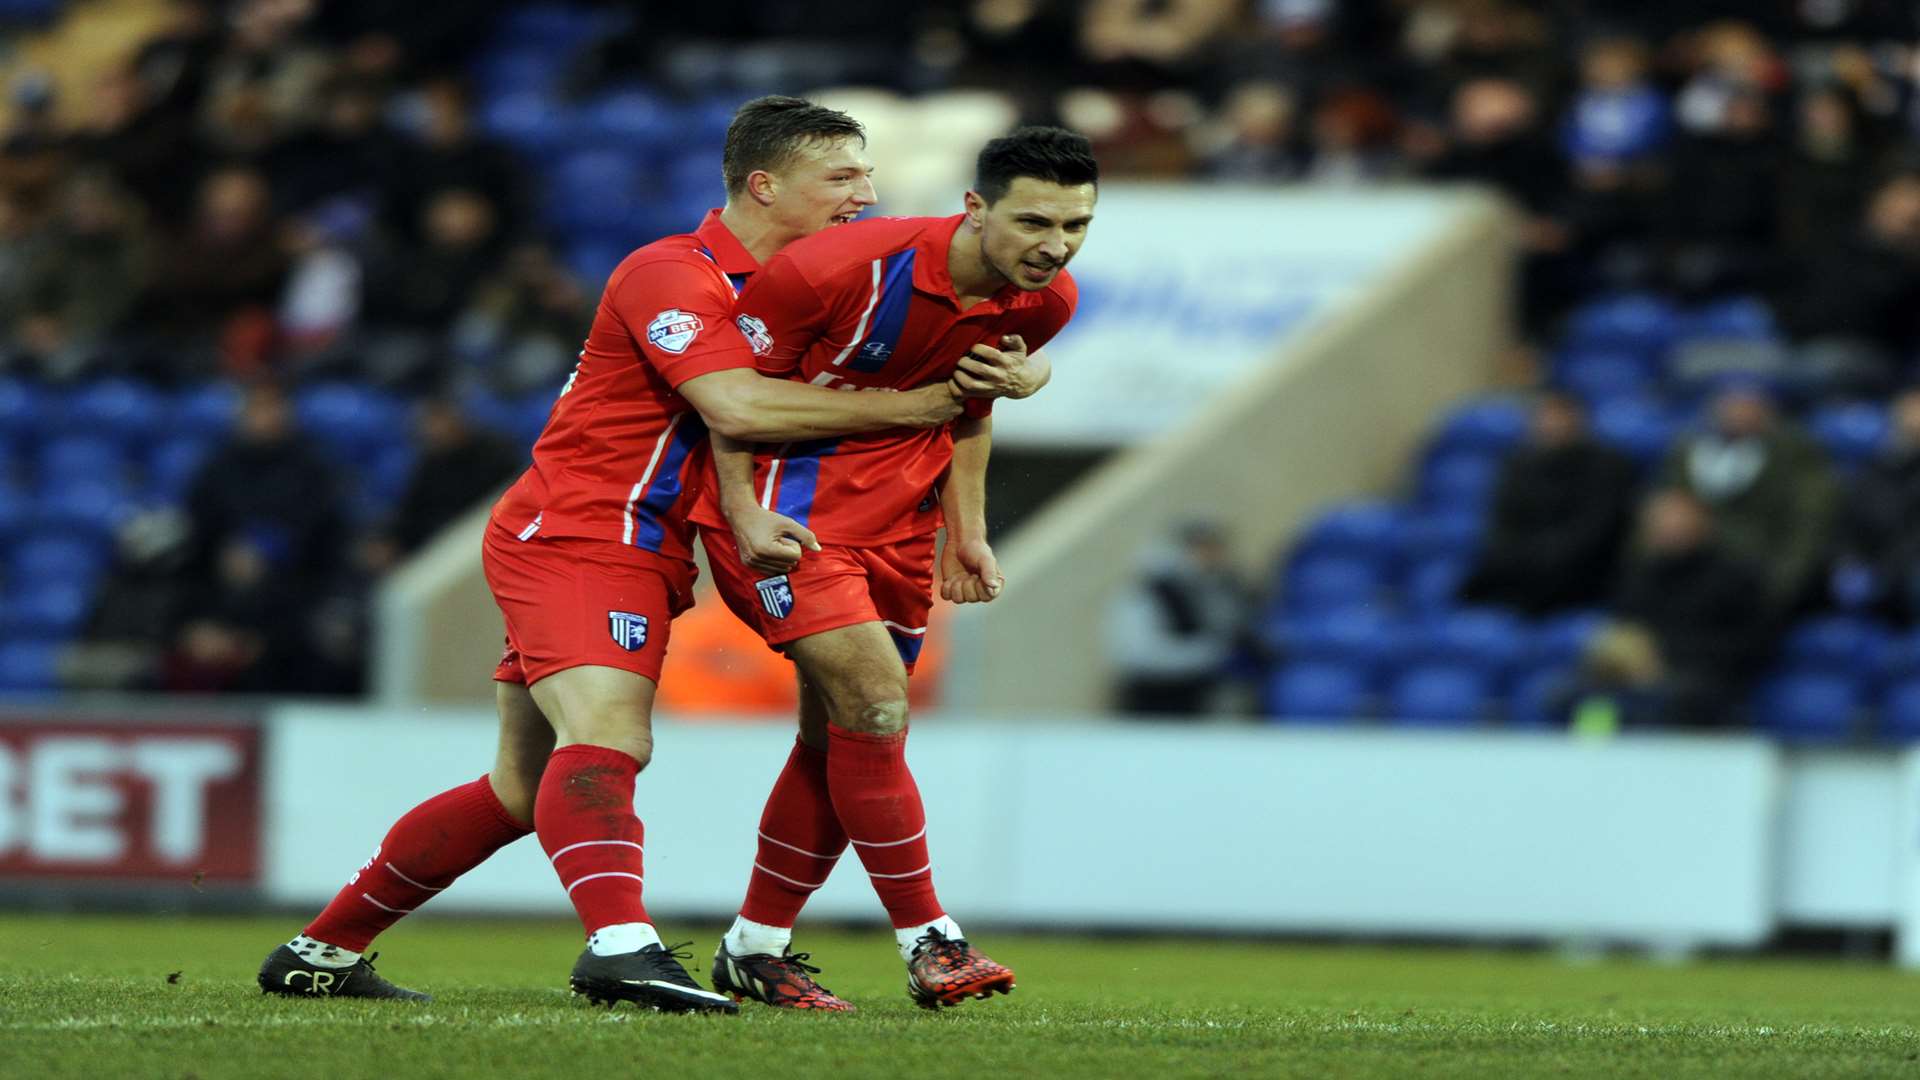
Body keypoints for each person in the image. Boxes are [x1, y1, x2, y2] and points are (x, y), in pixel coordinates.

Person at [256, 97, 1042, 1009]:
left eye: (866, 175)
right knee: (611, 735)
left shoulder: (822, 289)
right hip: (585, 529)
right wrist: (919, 409)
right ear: (764, 185)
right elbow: (738, 409)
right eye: (840, 177)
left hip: (653, 545)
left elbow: (982, 340)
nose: (864, 194)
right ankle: (623, 946)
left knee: (520, 786)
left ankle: (323, 951)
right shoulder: (674, 272)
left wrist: (1022, 374)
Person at [689, 127, 1096, 1011]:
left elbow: (970, 408)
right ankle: (931, 940)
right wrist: (741, 509)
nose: (1054, 246)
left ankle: (756, 945)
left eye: (1075, 226)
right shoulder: (836, 269)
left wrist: (968, 531)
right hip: (784, 517)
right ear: (975, 208)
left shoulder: (1047, 300)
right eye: (1034, 221)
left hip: (900, 531)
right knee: (876, 703)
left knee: (841, 739)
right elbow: (727, 399)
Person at [1460, 392, 1639, 615]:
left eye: (1559, 416)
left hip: (1579, 575)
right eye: (1544, 416)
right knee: (1467, 592)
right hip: (1518, 566)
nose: (1550, 425)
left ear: (1579, 420)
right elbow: (1501, 525)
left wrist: (1539, 558)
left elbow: (1592, 532)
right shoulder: (1518, 465)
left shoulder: (1608, 467)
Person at [1105, 521, 1252, 715]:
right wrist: (1207, 654)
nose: (1212, 557)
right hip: (1155, 700)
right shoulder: (1151, 591)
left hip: (1203, 699)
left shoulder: (1223, 587)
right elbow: (1136, 655)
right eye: (1203, 548)